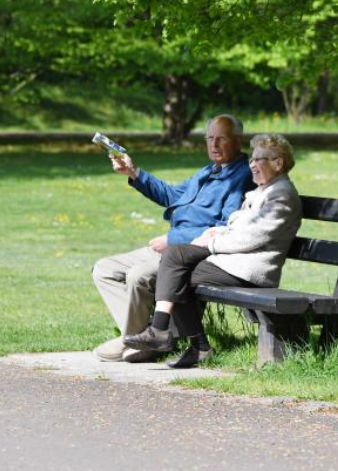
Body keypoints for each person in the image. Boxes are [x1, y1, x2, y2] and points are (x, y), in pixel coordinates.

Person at [124, 133, 303, 368]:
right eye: (252, 159)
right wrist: (215, 232)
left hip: (248, 269)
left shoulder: (281, 195)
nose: (252, 164)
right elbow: (239, 228)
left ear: (278, 163)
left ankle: (188, 343)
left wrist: (210, 243)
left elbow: (251, 237)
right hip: (232, 260)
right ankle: (167, 334)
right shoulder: (262, 192)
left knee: (176, 275)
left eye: (259, 159)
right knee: (175, 256)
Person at [91, 115, 255, 363]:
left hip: (193, 254)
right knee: (104, 269)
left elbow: (225, 227)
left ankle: (143, 341)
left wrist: (172, 238)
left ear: (237, 140)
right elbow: (173, 195)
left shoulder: (241, 177)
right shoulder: (208, 172)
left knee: (138, 275)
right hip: (171, 247)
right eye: (210, 138)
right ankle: (136, 336)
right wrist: (134, 172)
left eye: (221, 138)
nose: (214, 144)